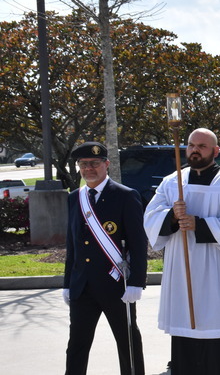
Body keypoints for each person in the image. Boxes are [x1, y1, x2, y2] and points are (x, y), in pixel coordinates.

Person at [144, 128, 220, 374]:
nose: (195, 150)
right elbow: (150, 217)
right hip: (184, 275)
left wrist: (199, 224)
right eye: (192, 145)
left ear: (216, 151)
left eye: (202, 146)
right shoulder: (173, 182)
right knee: (188, 344)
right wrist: (172, 216)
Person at [64, 142, 147, 375]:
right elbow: (72, 245)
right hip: (82, 287)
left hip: (116, 285)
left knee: (128, 343)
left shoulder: (125, 196)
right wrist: (67, 283)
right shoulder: (74, 198)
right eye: (84, 164)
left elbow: (138, 243)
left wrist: (136, 282)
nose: (89, 168)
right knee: (77, 345)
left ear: (106, 165)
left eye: (95, 163)